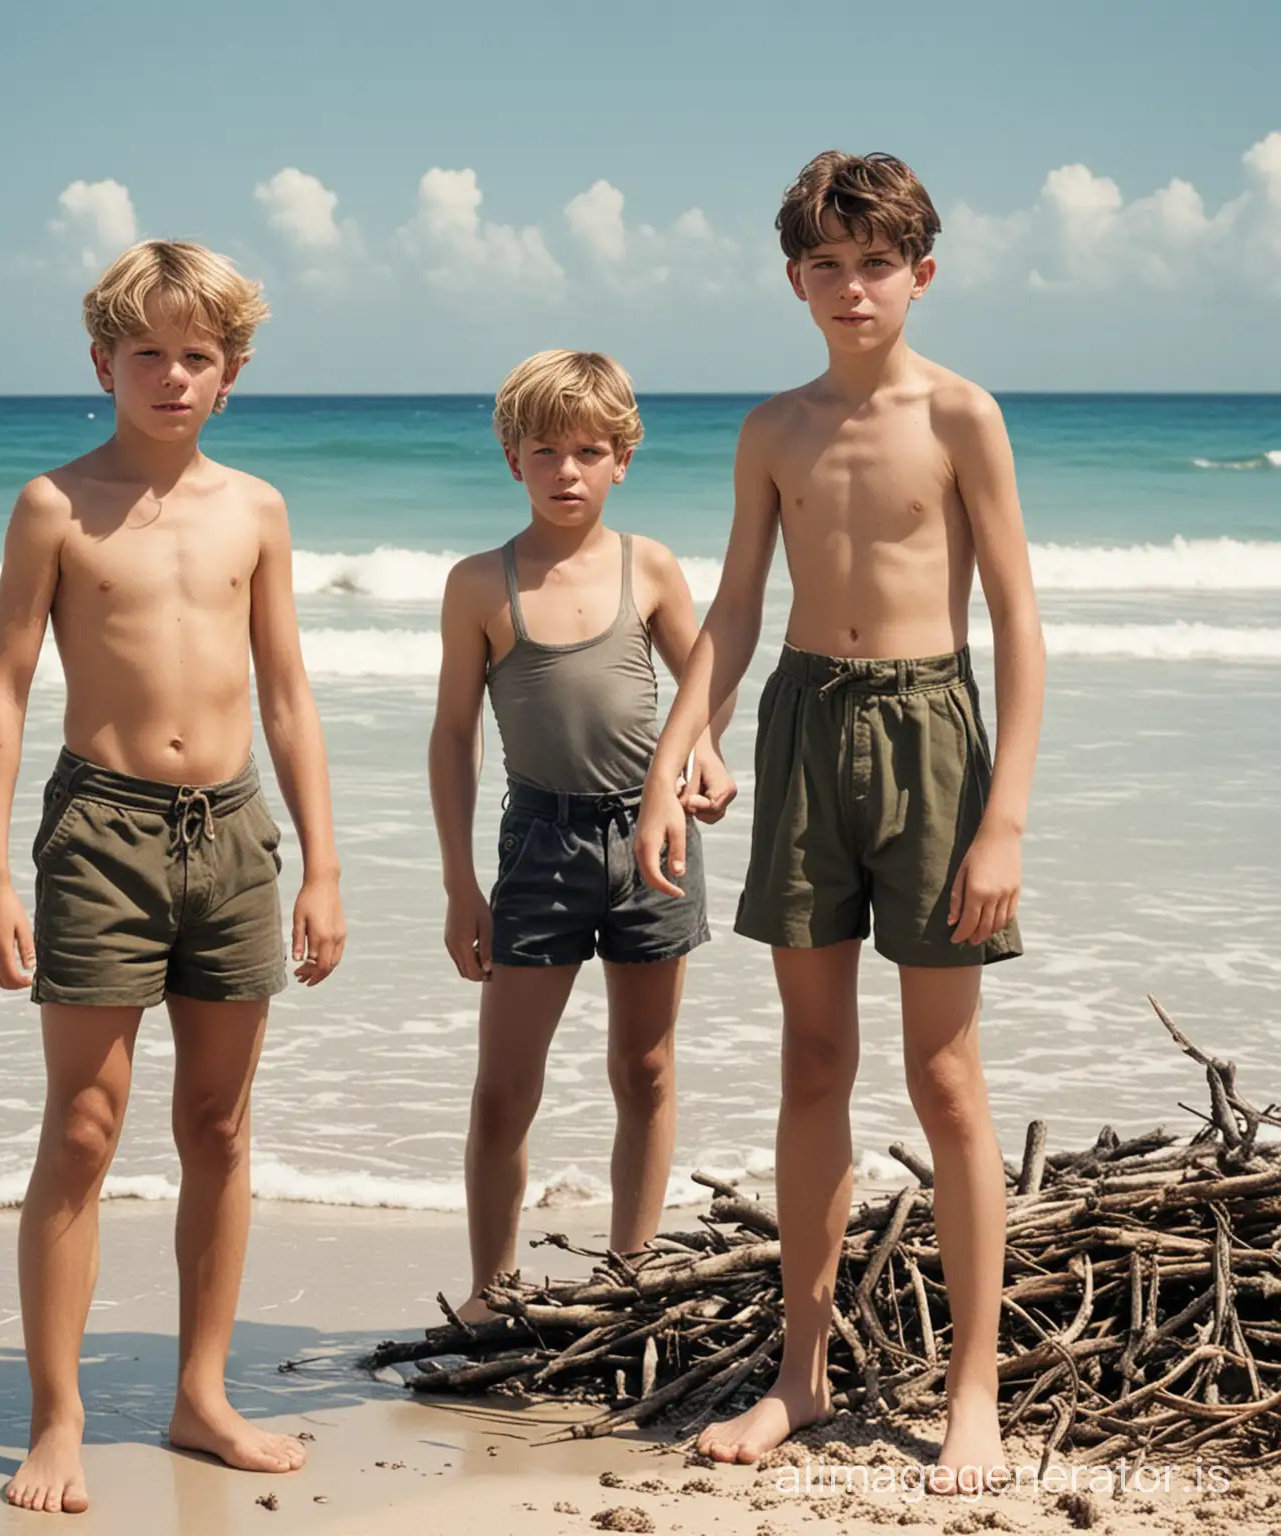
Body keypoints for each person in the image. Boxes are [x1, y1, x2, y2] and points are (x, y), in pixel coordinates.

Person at [635, 153, 1045, 1494]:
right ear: (796, 278)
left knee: (946, 1079)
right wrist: (678, 749)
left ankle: (973, 1390)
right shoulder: (774, 429)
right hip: (806, 727)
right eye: (828, 264)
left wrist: (1005, 822)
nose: (852, 286)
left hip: (934, 737)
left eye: (877, 263)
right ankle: (802, 1376)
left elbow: (1022, 634)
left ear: (920, 273)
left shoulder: (963, 418)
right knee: (813, 1059)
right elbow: (739, 609)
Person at [0, 239, 346, 1514]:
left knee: (220, 1129)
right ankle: (58, 1418)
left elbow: (288, 695)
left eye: (198, 356)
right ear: (103, 363)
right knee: (82, 1129)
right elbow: (7, 691)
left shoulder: (256, 509)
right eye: (149, 354)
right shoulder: (54, 506)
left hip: (235, 834)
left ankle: (200, 1396)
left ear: (230, 374)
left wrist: (323, 864)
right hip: (101, 836)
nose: (173, 376)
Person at [429, 349, 736, 1323]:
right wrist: (459, 884)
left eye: (589, 451)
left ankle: (633, 1274)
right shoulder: (481, 584)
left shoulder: (648, 567)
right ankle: (489, 1290)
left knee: (644, 1067)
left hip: (651, 843)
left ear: (623, 460)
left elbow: (706, 675)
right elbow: (452, 734)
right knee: (502, 1086)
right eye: (545, 450)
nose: (567, 470)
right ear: (511, 458)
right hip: (538, 850)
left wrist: (708, 756)